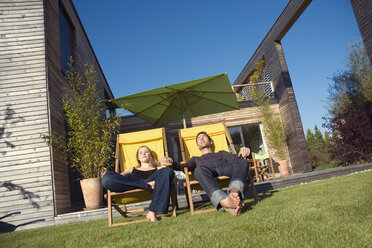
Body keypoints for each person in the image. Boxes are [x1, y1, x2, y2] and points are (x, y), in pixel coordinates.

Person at [102, 145, 175, 222]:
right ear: (138, 158)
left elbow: (170, 176)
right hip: (132, 185)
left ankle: (152, 212)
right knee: (107, 178)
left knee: (168, 171)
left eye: (146, 152)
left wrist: (168, 162)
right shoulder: (131, 169)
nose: (143, 154)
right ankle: (144, 184)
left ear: (150, 155)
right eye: (141, 153)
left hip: (152, 187)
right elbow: (119, 178)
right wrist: (107, 175)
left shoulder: (158, 169)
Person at [186, 131, 251, 216]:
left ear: (211, 142)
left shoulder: (222, 153)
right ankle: (224, 201)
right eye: (199, 138)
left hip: (224, 167)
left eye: (204, 137)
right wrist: (170, 162)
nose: (201, 138)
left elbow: (237, 158)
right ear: (198, 146)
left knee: (243, 162)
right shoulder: (195, 159)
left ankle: (233, 194)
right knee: (198, 170)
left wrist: (245, 151)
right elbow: (183, 166)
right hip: (205, 171)